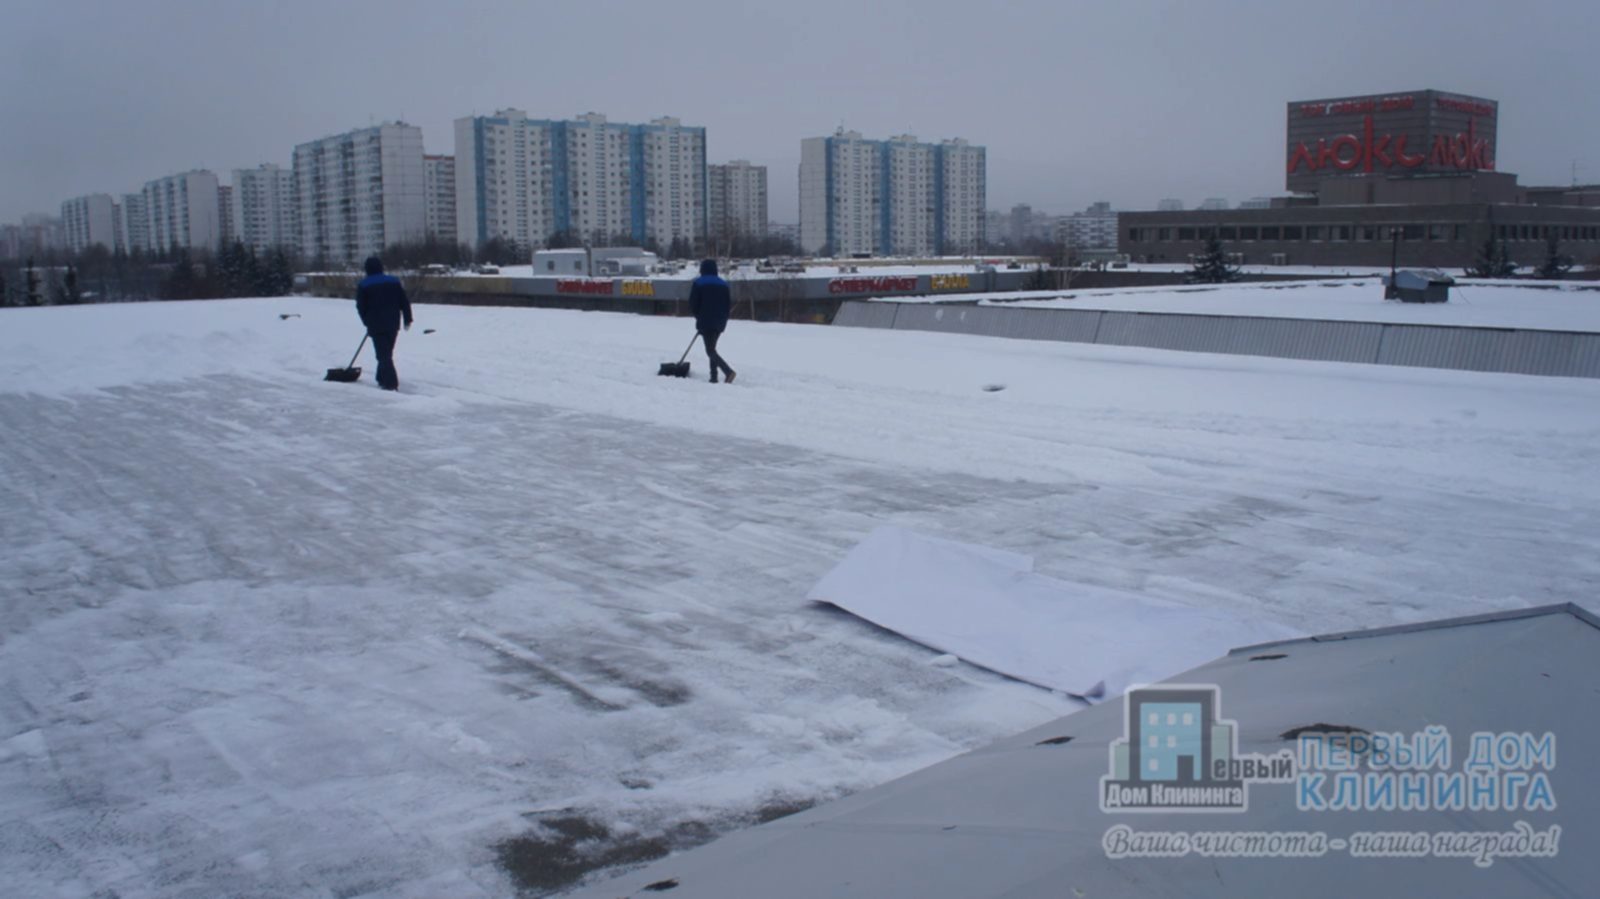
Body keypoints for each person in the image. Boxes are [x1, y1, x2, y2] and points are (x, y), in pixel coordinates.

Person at [355, 256, 413, 391]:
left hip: (376, 324)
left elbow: (361, 306)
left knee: (383, 355)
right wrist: (407, 319)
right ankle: (381, 378)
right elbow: (403, 301)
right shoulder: (393, 281)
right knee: (386, 353)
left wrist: (367, 322)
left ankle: (390, 384)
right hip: (393, 323)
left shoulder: (364, 284)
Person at [688, 258, 735, 384]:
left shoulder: (699, 283)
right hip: (720, 320)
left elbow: (693, 303)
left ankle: (728, 372)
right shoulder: (723, 284)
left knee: (710, 350)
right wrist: (723, 318)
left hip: (706, 319)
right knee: (712, 348)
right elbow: (728, 304)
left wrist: (698, 317)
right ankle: (713, 377)